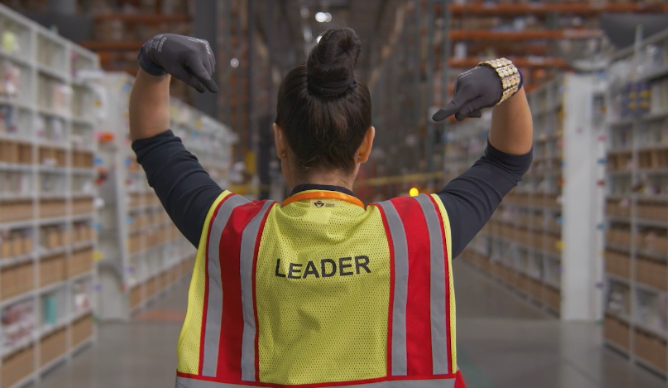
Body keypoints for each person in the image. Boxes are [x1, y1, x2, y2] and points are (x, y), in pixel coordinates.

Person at [130, 28, 532, 388]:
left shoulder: (233, 232)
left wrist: (154, 58)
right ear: (366, 146)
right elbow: (505, 162)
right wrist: (505, 78)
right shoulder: (419, 233)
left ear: (279, 141)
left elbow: (154, 143)